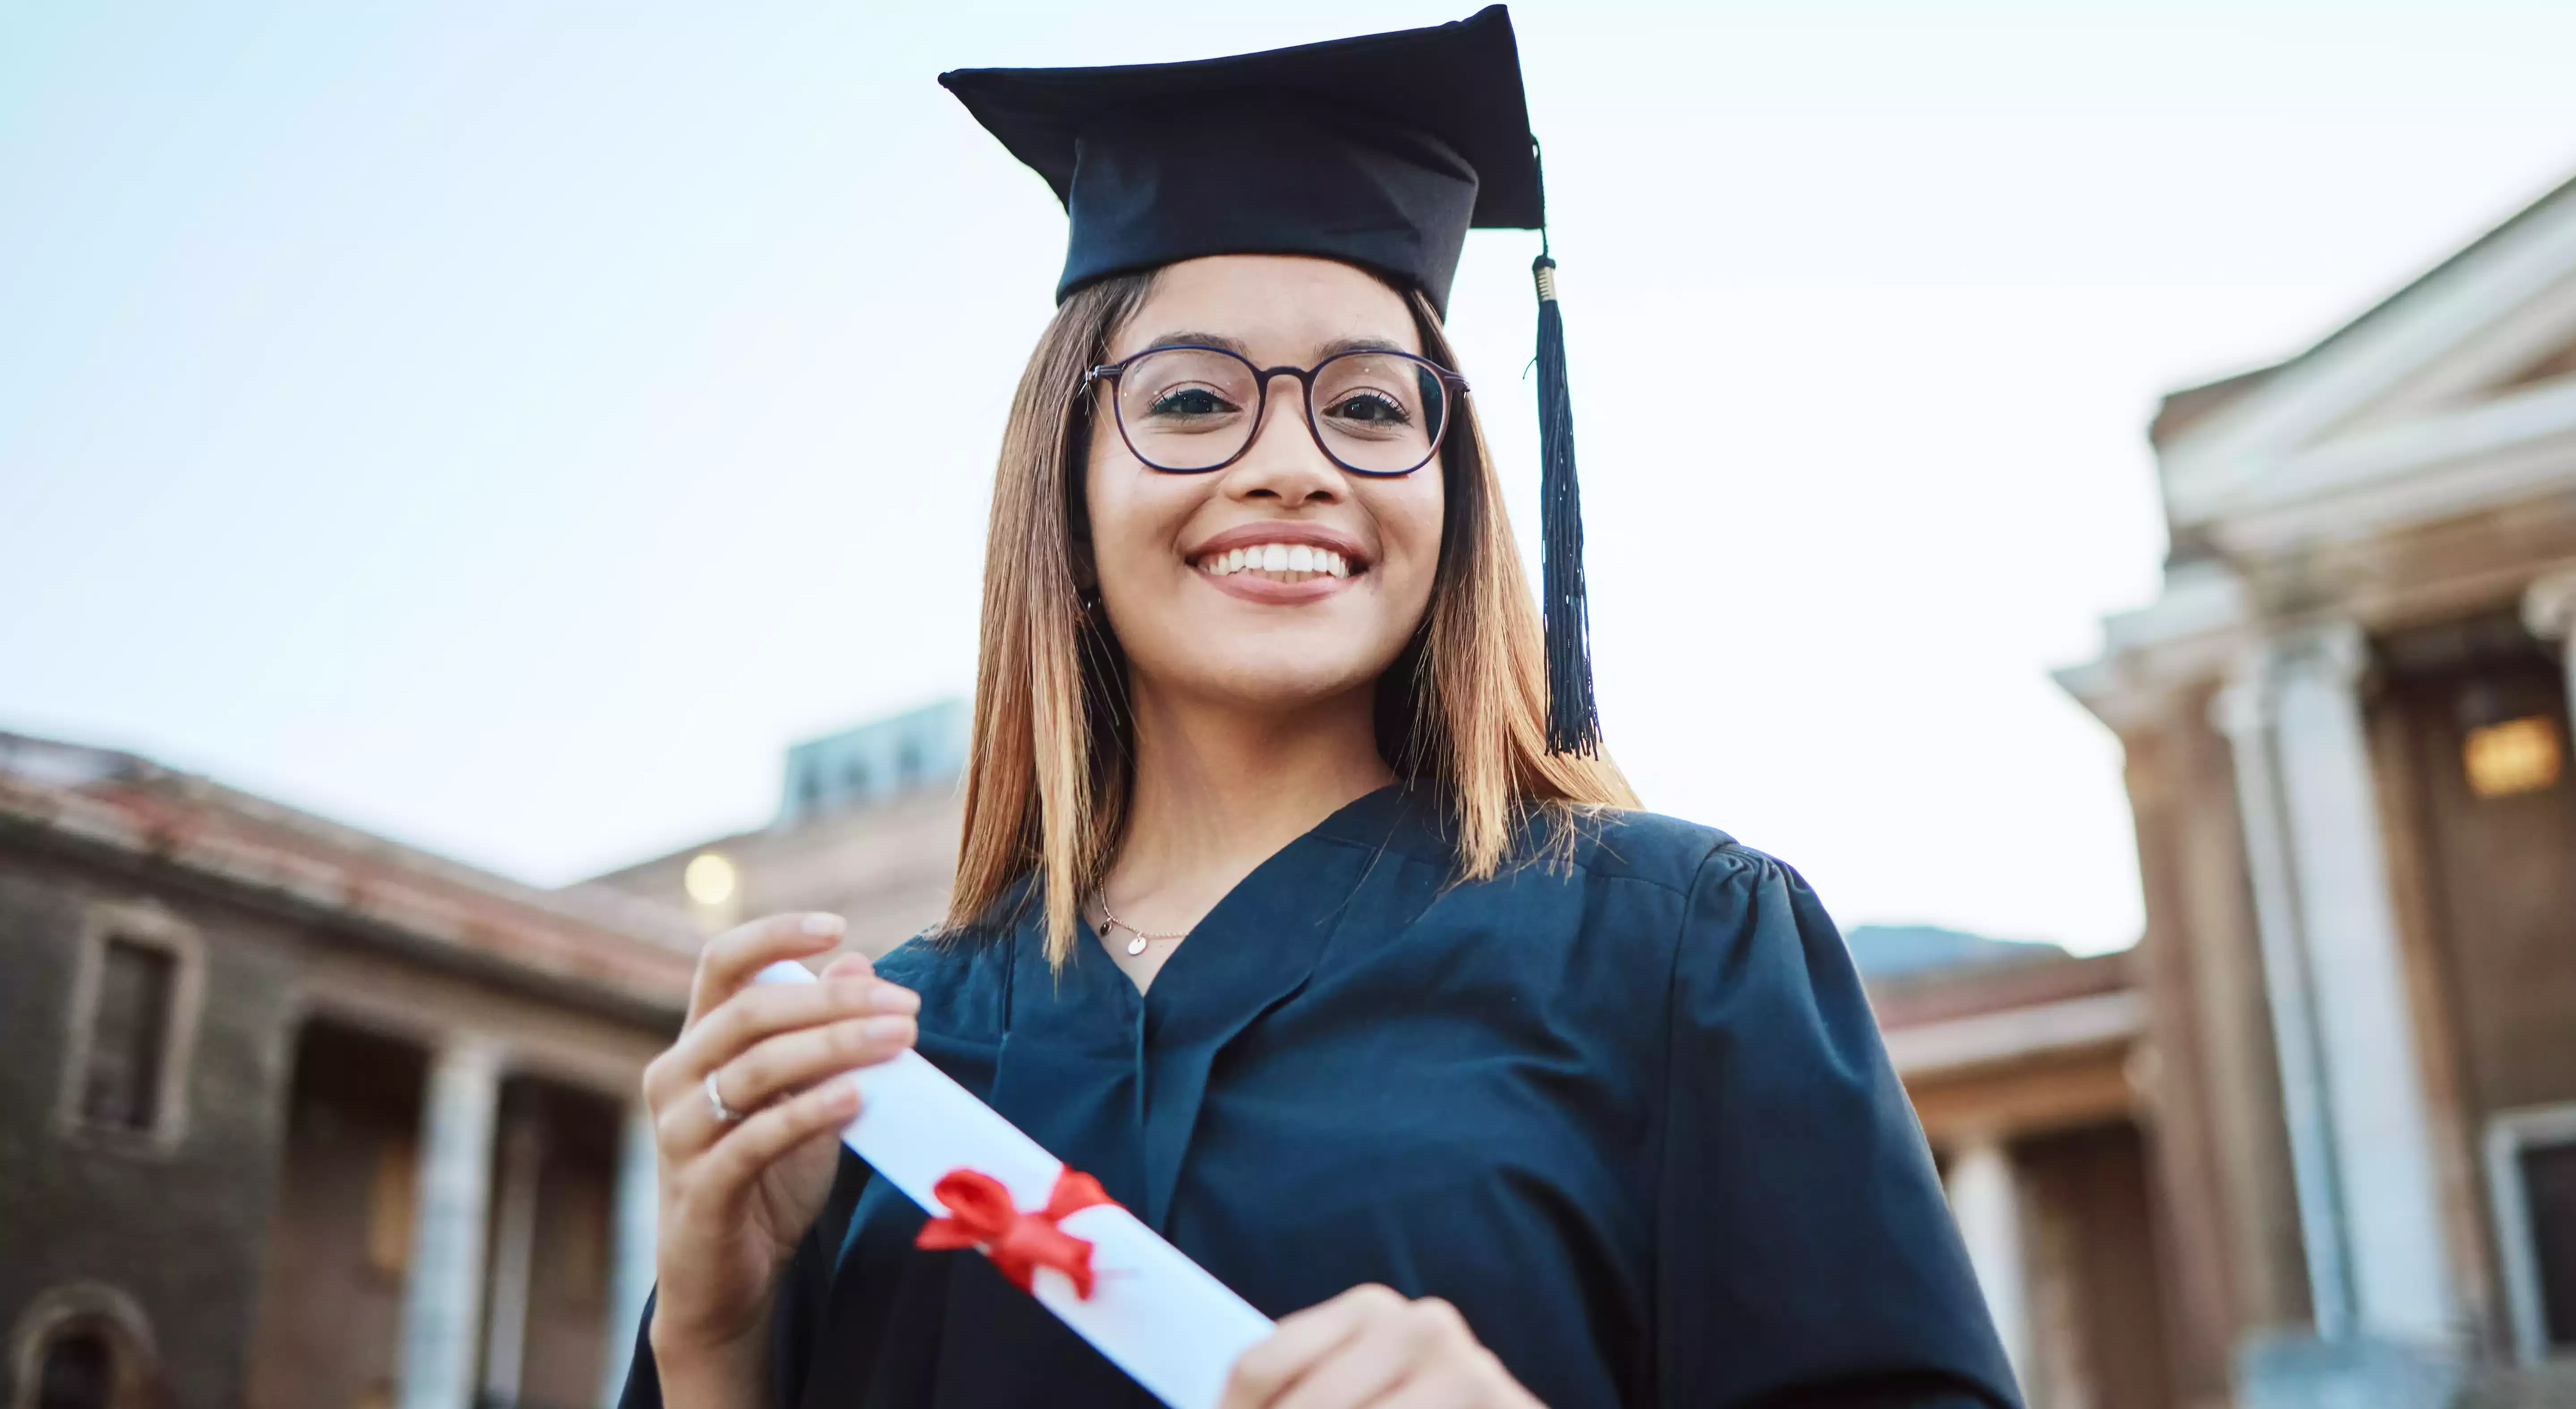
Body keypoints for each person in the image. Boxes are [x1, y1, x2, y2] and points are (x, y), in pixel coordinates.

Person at [622, 8, 2019, 1408]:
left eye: (1367, 405)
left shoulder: (1674, 952)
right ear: (1066, 479)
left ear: (1451, 481)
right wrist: (713, 1346)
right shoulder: (887, 1060)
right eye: (1188, 399)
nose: (1291, 463)